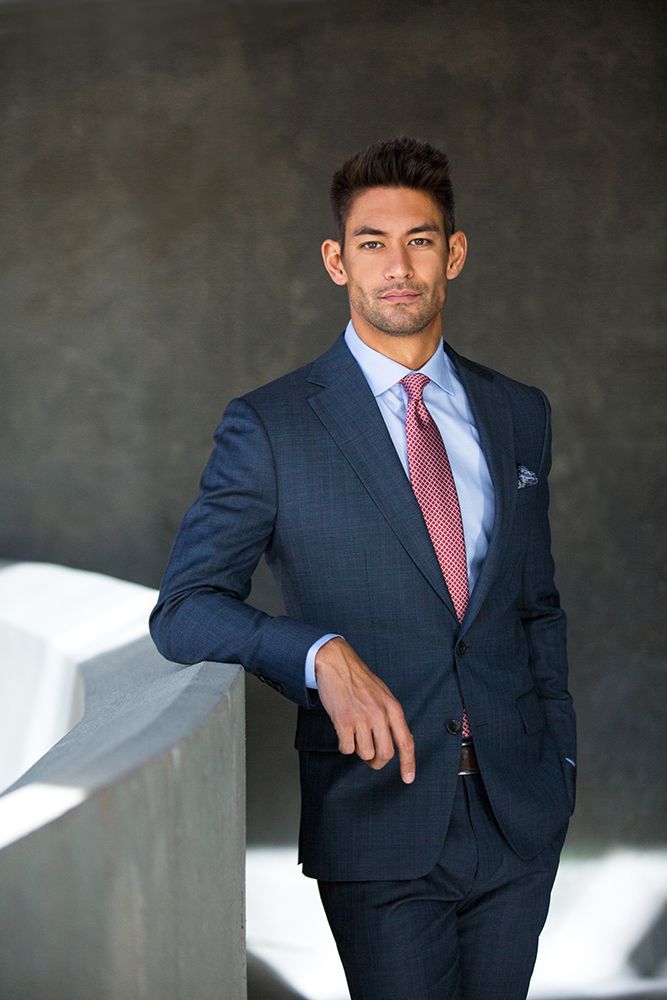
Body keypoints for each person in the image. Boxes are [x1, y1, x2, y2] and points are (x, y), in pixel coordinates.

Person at [150, 136, 576, 1000]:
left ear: (451, 254)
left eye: (418, 240)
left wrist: (559, 769)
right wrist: (316, 653)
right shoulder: (270, 428)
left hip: (517, 815)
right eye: (371, 243)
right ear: (335, 261)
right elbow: (185, 609)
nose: (397, 265)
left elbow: (535, 608)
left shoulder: (517, 412)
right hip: (377, 818)